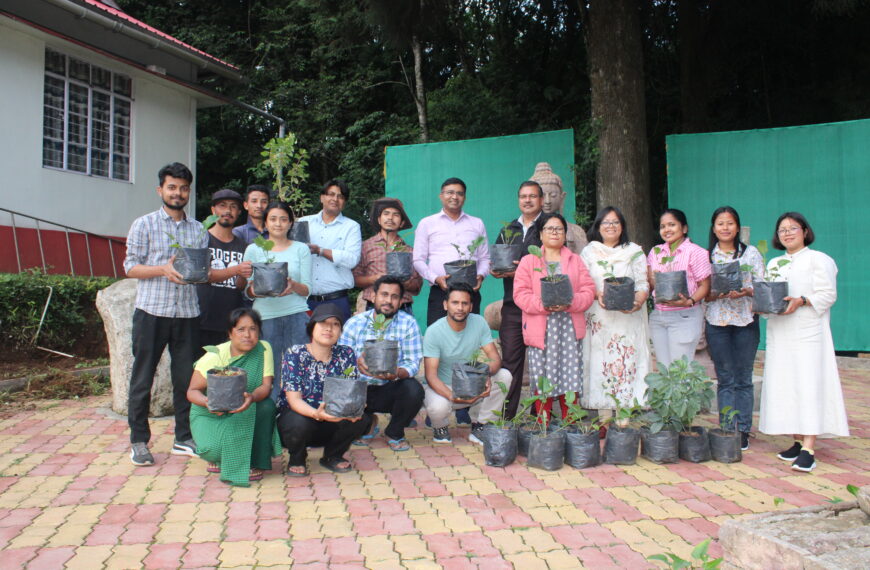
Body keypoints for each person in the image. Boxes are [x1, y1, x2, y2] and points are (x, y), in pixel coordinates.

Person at [123, 162, 206, 466]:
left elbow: (202, 272)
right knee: (142, 378)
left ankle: (183, 438)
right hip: (151, 313)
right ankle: (139, 441)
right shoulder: (143, 224)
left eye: (183, 188)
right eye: (172, 187)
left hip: (187, 314)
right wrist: (162, 269)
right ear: (160, 190)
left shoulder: (198, 230)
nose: (178, 193)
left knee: (186, 379)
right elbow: (130, 267)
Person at [759, 212, 848, 473]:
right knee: (786, 384)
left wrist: (802, 300)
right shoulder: (775, 263)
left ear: (805, 231)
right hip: (781, 332)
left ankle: (809, 447)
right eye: (782, 229)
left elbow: (828, 294)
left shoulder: (819, 260)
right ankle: (797, 441)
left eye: (792, 228)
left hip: (808, 332)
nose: (787, 233)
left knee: (809, 384)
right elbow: (770, 294)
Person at [514, 213, 596, 420]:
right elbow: (520, 294)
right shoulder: (529, 261)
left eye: (559, 229)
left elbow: (588, 290)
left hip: (568, 327)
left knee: (570, 375)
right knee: (543, 376)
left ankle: (570, 422)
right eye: (549, 229)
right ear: (540, 234)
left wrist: (570, 303)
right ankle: (543, 424)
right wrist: (544, 305)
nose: (554, 233)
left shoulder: (575, 260)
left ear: (565, 234)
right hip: (541, 329)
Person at [187, 308, 282, 486]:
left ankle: (255, 461)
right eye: (240, 329)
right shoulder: (214, 356)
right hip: (211, 413)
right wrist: (208, 403)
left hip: (246, 407)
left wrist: (252, 397)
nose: (247, 335)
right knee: (212, 451)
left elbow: (266, 386)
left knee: (267, 406)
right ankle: (219, 457)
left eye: (253, 329)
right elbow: (192, 391)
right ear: (230, 333)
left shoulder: (264, 348)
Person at [276, 304, 373, 476]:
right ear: (312, 327)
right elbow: (294, 400)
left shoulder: (346, 354)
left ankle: (332, 455)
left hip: (332, 420)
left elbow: (350, 393)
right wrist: (317, 414)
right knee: (296, 421)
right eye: (323, 323)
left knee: (362, 419)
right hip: (300, 422)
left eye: (335, 324)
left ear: (340, 331)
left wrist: (355, 407)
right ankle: (297, 457)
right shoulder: (296, 354)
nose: (329, 328)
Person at [703, 206, 764, 451]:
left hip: (745, 321)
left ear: (737, 227)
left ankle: (744, 430)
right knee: (725, 378)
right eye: (720, 223)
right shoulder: (708, 256)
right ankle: (727, 428)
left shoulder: (751, 254)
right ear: (714, 228)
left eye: (730, 223)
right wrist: (714, 294)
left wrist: (747, 291)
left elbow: (762, 286)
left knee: (743, 378)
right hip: (717, 321)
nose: (725, 228)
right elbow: (702, 294)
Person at [339, 276, 425, 451]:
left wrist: (396, 372)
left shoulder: (408, 324)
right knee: (346, 423)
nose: (388, 300)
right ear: (373, 296)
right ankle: (368, 421)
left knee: (413, 389)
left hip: (389, 386)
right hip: (359, 388)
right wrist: (357, 362)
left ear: (401, 301)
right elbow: (340, 360)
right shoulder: (355, 323)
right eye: (384, 295)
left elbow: (413, 362)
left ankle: (394, 432)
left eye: (394, 297)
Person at [580, 207, 651, 412]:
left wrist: (636, 303)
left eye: (615, 222)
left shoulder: (634, 251)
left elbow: (643, 284)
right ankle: (603, 417)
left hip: (627, 320)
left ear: (622, 227)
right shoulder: (589, 252)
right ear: (598, 226)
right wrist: (596, 294)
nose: (611, 226)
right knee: (600, 363)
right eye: (606, 222)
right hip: (599, 320)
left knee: (625, 361)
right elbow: (583, 282)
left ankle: (624, 417)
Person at [422, 284, 511, 445]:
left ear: (471, 306)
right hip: (445, 387)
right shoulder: (434, 331)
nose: (460, 308)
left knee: (505, 375)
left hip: (473, 384)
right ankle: (440, 427)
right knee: (437, 408)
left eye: (465, 303)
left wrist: (484, 374)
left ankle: (481, 426)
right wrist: (453, 397)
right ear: (445, 305)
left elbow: (495, 358)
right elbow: (430, 376)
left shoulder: (479, 323)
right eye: (455, 303)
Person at [243, 202, 311, 401]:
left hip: (297, 316)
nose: (278, 224)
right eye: (273, 219)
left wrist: (292, 285)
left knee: (299, 369)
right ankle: (270, 420)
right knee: (268, 373)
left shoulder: (301, 249)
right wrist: (255, 290)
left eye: (283, 219)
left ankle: (297, 416)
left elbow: (307, 288)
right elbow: (247, 290)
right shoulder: (254, 250)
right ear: (265, 223)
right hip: (265, 316)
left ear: (291, 223)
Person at [491, 181, 543, 419]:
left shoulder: (548, 226)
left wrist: (521, 269)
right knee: (510, 361)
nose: (528, 200)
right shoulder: (509, 229)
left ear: (541, 200)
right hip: (512, 306)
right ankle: (506, 416)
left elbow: (553, 262)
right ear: (518, 200)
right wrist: (496, 268)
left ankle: (540, 417)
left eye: (533, 196)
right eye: (523, 196)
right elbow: (499, 258)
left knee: (542, 363)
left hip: (540, 306)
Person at [413, 177, 490, 326]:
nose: (455, 197)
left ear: (464, 198)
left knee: (470, 339)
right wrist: (435, 278)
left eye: (460, 193)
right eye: (450, 192)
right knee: (438, 338)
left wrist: (480, 275)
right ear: (441, 196)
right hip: (440, 290)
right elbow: (418, 260)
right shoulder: (427, 223)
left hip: (470, 291)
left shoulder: (477, 223)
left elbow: (485, 257)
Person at [647, 209, 712, 366]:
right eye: (663, 226)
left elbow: (705, 285)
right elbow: (652, 284)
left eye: (672, 225)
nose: (667, 229)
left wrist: (689, 301)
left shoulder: (696, 252)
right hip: (659, 316)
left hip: (685, 315)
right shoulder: (656, 252)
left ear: (684, 228)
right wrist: (653, 278)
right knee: (664, 369)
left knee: (681, 370)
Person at [299, 180, 362, 323]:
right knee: (305, 343)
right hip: (304, 301)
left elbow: (352, 260)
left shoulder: (351, 227)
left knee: (337, 344)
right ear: (322, 197)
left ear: (344, 201)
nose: (335, 199)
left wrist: (320, 250)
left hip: (336, 300)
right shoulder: (304, 223)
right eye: (331, 194)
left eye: (340, 196)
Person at [197, 189, 253, 348]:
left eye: (233, 207)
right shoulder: (202, 240)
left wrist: (243, 274)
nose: (228, 211)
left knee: (229, 371)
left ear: (239, 212)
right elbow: (204, 275)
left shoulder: (244, 247)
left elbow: (240, 286)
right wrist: (236, 270)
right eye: (222, 206)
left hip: (232, 323)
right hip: (202, 320)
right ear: (213, 210)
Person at [353, 197, 423, 314]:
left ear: (401, 222)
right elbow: (354, 279)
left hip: (403, 307)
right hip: (373, 306)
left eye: (396, 215)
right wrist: (374, 278)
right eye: (386, 214)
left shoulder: (409, 251)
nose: (390, 218)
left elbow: (417, 286)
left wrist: (406, 284)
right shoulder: (365, 246)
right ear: (379, 220)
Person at [529, 162, 588, 255]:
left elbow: (583, 262)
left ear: (562, 197)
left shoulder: (576, 232)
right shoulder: (524, 230)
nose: (547, 201)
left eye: (553, 195)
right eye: (543, 195)